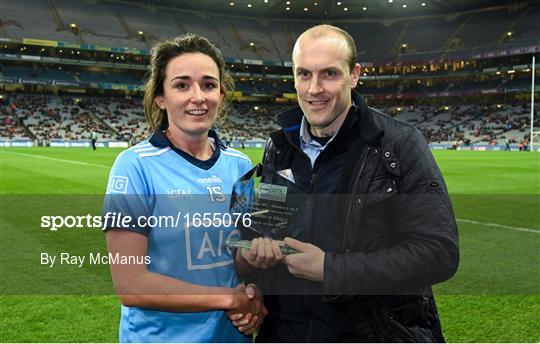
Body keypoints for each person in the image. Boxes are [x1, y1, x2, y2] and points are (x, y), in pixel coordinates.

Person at [235, 24, 459, 342]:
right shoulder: (279, 147)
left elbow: (438, 253)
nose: (314, 89)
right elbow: (269, 230)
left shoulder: (399, 145)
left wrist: (331, 269)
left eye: (329, 74)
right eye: (304, 74)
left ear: (354, 75)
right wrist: (258, 266)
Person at [103, 34, 266, 343]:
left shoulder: (240, 165)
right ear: (161, 98)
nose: (198, 96)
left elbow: (241, 256)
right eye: (182, 85)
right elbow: (130, 284)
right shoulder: (134, 166)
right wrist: (229, 299)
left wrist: (252, 289)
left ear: (221, 92)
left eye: (208, 84)